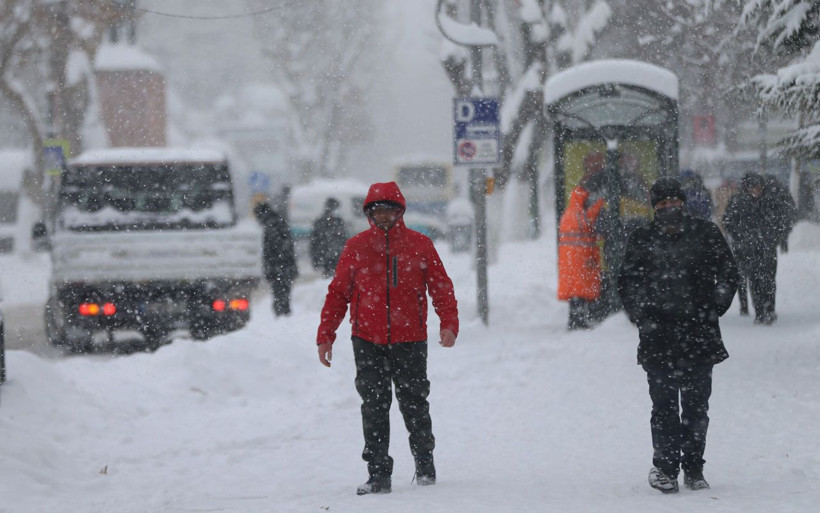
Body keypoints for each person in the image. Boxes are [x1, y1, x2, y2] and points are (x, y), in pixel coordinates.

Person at [315, 181, 459, 496]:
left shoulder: (419, 245)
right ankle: (378, 473)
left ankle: (424, 464)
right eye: (377, 211)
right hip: (367, 339)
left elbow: (441, 286)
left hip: (410, 339)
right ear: (369, 213)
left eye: (388, 210)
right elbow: (338, 293)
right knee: (374, 406)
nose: (383, 216)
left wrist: (449, 322)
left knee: (414, 403)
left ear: (399, 211)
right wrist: (326, 335)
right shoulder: (356, 247)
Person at [618, 177, 739, 494]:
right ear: (654, 207)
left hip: (699, 335)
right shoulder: (643, 238)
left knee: (697, 408)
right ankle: (666, 468)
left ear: (683, 203)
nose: (669, 208)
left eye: (674, 202)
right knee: (664, 408)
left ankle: (695, 469)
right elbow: (627, 281)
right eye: (662, 204)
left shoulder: (705, 233)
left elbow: (728, 271)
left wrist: (716, 304)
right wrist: (642, 314)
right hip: (658, 338)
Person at [722, 172, 795, 325]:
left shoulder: (769, 201)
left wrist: (773, 237)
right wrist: (743, 237)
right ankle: (760, 311)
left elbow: (781, 220)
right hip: (748, 250)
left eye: (759, 187)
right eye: (754, 187)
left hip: (767, 249)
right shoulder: (738, 202)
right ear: (747, 188)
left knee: (769, 280)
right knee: (755, 281)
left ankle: (769, 309)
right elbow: (728, 222)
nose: (757, 190)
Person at [558, 167, 606, 330]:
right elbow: (588, 224)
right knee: (579, 292)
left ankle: (575, 320)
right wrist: (601, 204)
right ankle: (577, 321)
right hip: (579, 259)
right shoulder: (578, 214)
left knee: (577, 292)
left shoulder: (571, 211)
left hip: (571, 260)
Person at [253, 201, 298, 316]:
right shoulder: (278, 222)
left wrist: (270, 268)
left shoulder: (271, 225)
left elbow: (271, 251)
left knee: (280, 294)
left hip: (279, 268)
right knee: (284, 293)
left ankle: (282, 316)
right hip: (284, 267)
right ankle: (283, 315)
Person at [309, 197, 348, 278]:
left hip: (334, 256)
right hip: (326, 257)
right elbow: (314, 241)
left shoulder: (339, 221)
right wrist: (315, 259)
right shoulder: (321, 222)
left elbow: (344, 239)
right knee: (328, 281)